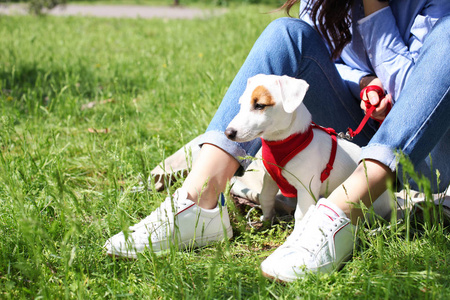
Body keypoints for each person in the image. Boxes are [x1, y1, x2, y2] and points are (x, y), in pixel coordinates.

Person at [104, 0, 450, 282]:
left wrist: (375, 8)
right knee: (287, 33)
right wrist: (363, 80)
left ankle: (341, 213)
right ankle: (199, 202)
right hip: (352, 131)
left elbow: (423, 93)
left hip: (427, 148)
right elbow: (323, 65)